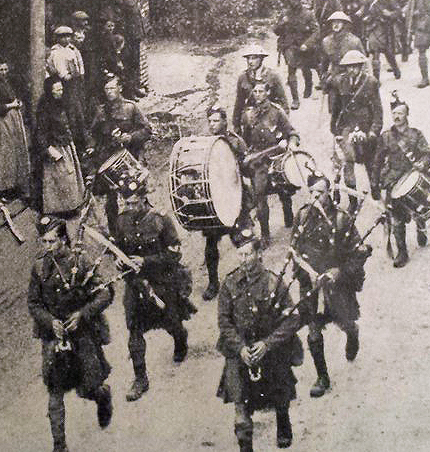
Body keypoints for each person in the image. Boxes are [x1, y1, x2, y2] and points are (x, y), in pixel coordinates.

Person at [28, 216, 114, 452]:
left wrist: (82, 314)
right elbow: (34, 303)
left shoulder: (82, 261)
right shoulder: (38, 267)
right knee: (54, 390)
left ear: (64, 240)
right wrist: (50, 321)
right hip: (53, 336)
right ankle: (59, 445)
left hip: (82, 334)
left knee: (88, 387)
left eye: (52, 241)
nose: (47, 247)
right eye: (44, 241)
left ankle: (102, 395)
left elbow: (105, 293)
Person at [216, 227, 302, 452]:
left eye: (248, 254)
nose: (244, 260)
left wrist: (268, 344)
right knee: (240, 409)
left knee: (280, 392)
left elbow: (292, 319)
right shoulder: (229, 283)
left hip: (269, 349)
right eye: (240, 255)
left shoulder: (273, 282)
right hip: (240, 350)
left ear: (258, 254)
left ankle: (283, 422)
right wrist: (240, 347)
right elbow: (224, 322)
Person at [111, 180, 196, 401]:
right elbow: (119, 249)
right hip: (136, 283)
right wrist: (119, 262)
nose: (130, 208)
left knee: (171, 322)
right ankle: (140, 378)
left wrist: (146, 261)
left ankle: (180, 338)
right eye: (126, 203)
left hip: (162, 281)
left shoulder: (161, 219)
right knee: (134, 329)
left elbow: (174, 253)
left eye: (133, 203)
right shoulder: (121, 221)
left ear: (143, 198)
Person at [292, 176, 370, 396]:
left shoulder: (341, 220)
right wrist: (305, 274)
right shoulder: (302, 217)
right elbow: (294, 250)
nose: (316, 197)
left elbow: (357, 254)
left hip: (337, 286)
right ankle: (322, 376)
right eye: (312, 192)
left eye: (320, 192)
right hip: (312, 286)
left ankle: (353, 333)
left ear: (329, 193)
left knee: (345, 322)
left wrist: (339, 272)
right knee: (314, 332)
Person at [374, 96, 430, 268]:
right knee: (396, 219)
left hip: (413, 176)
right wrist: (375, 185)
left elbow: (428, 155)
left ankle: (421, 227)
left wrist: (422, 164)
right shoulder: (385, 137)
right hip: (394, 182)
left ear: (407, 115)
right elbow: (377, 162)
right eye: (394, 113)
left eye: (400, 113)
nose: (396, 116)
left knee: (418, 208)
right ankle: (402, 252)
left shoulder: (416, 134)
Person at [201, 106, 253, 301]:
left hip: (235, 197)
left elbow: (249, 171)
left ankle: (250, 276)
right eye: (210, 121)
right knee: (211, 243)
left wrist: (243, 167)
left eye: (216, 120)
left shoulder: (236, 142)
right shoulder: (205, 144)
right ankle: (213, 282)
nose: (213, 124)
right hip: (215, 199)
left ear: (225, 122)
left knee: (243, 240)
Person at [239, 81, 300, 246]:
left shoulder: (276, 112)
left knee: (284, 190)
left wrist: (291, 143)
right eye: (255, 91)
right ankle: (265, 233)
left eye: (260, 90)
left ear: (267, 92)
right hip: (258, 162)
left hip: (277, 156)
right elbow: (244, 140)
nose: (257, 94)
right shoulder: (248, 115)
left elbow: (292, 133)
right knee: (260, 195)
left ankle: (289, 215)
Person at [90, 76, 152, 229]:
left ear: (120, 89)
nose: (109, 92)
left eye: (112, 88)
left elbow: (147, 130)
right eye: (107, 89)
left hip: (131, 156)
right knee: (111, 199)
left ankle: (144, 226)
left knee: (136, 193)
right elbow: (93, 133)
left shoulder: (131, 108)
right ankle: (116, 233)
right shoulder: (101, 111)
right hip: (110, 159)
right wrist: (92, 146)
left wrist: (130, 137)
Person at [325, 50, 383, 214]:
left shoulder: (370, 82)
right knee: (347, 162)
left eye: (355, 67)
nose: (351, 70)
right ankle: (353, 199)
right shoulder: (340, 82)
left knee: (370, 161)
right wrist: (335, 129)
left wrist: (374, 130)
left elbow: (378, 110)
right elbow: (336, 108)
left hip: (366, 125)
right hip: (346, 126)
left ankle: (375, 187)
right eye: (348, 67)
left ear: (360, 67)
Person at [35, 77, 86, 214]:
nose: (60, 92)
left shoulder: (62, 103)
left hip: (67, 145)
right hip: (55, 147)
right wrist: (48, 148)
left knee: (71, 177)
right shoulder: (44, 108)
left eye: (61, 89)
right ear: (50, 91)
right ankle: (61, 209)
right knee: (61, 179)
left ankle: (72, 205)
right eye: (57, 90)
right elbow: (41, 131)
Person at [0, 60, 31, 199]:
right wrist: (11, 105)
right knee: (3, 154)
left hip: (10, 120)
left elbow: (10, 97)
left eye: (5, 69)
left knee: (14, 152)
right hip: (0, 122)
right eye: (0, 70)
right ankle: (4, 189)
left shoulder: (4, 81)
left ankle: (14, 185)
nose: (3, 72)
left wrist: (16, 103)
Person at [274, 0, 319, 109]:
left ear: (300, 0)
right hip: (289, 46)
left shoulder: (308, 14)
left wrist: (307, 44)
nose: (294, 2)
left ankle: (309, 85)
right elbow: (276, 31)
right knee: (291, 70)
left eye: (296, 0)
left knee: (306, 68)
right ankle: (295, 99)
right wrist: (282, 23)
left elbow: (316, 31)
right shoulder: (284, 14)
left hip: (304, 45)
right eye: (291, 0)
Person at [232, 44, 288, 128]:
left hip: (270, 116)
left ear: (261, 59)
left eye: (254, 58)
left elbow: (282, 101)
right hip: (251, 116)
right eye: (248, 58)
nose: (250, 62)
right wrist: (236, 125)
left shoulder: (272, 76)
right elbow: (239, 102)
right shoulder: (243, 77)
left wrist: (283, 123)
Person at [361, 0, 401, 81]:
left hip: (386, 29)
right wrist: (366, 18)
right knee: (375, 52)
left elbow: (398, 12)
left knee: (388, 53)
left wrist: (389, 14)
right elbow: (364, 14)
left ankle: (395, 69)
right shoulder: (368, 0)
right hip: (373, 28)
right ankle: (376, 79)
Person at [318, 11, 364, 89]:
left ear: (344, 24)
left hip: (351, 75)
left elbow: (363, 62)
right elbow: (324, 62)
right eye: (333, 22)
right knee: (332, 99)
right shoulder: (326, 41)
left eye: (339, 22)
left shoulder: (354, 41)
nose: (336, 24)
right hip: (334, 76)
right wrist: (323, 76)